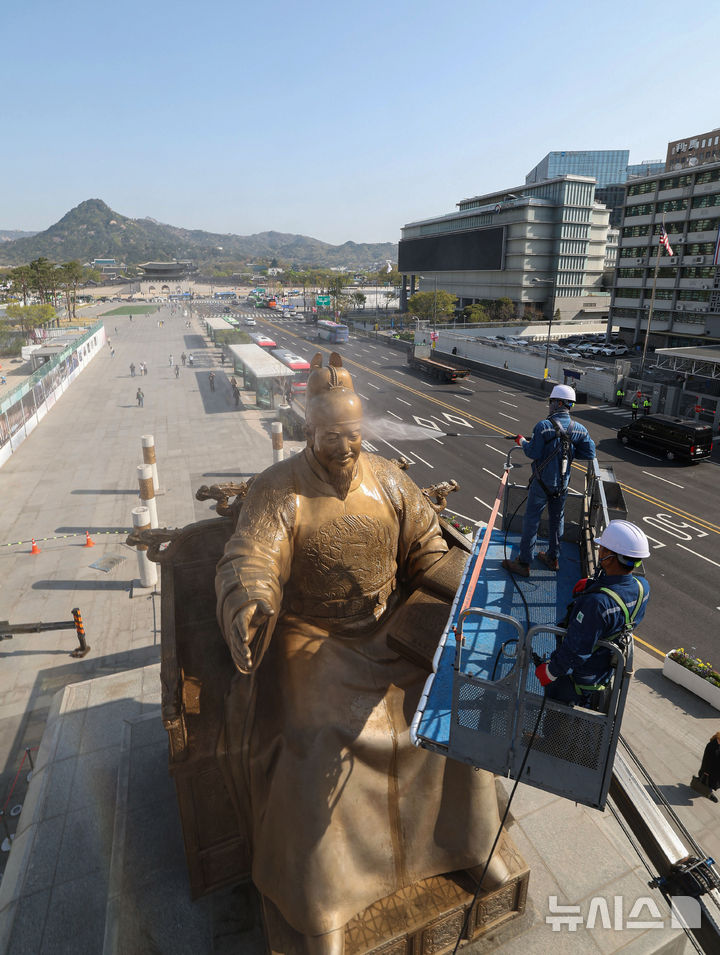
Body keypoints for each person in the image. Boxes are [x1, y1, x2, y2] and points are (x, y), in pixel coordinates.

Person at [216, 354, 508, 953]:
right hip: (314, 636)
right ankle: (323, 901)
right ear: (308, 434)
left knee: (453, 698)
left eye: (354, 438)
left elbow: (427, 547)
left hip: (391, 625)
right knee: (314, 731)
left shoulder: (389, 479)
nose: (346, 451)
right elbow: (252, 557)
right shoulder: (279, 490)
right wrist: (250, 597)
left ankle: (470, 844)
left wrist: (471, 582)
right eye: (332, 440)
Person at [534, 520, 651, 707]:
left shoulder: (597, 604)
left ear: (609, 556)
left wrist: (550, 672)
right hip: (602, 673)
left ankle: (549, 737)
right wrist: (592, 584)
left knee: (558, 721)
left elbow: (576, 651)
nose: (599, 551)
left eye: (602, 548)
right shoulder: (643, 587)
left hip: (577, 679)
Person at [502, 384, 596, 577]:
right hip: (562, 486)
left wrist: (522, 442)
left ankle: (524, 562)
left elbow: (533, 452)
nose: (550, 405)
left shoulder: (543, 427)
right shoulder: (579, 429)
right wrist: (568, 448)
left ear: (559, 403)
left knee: (532, 521)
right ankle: (553, 558)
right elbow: (589, 452)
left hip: (541, 484)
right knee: (557, 520)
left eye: (551, 402)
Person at [693, 732, 720, 803]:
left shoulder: (718, 745)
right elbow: (706, 760)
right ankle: (709, 794)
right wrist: (706, 771)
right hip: (709, 771)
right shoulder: (711, 746)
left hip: (715, 770)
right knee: (709, 783)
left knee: (708, 782)